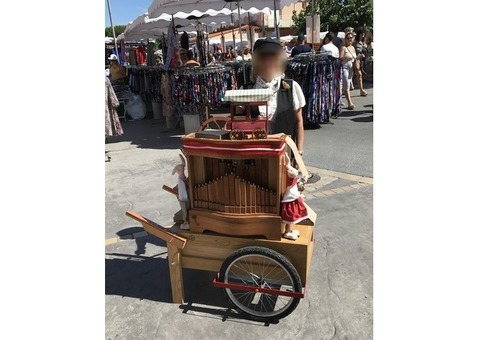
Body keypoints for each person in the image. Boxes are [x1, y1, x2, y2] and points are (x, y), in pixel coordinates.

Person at [240, 38, 306, 154]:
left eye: (272, 57)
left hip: (285, 154)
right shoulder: (245, 90)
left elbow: (298, 122)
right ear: (256, 61)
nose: (267, 62)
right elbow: (237, 123)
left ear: (279, 60)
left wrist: (299, 152)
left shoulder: (291, 88)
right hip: (255, 155)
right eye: (263, 57)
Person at [339, 32, 357, 109]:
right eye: (348, 38)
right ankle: (350, 103)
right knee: (346, 85)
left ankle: (339, 100)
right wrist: (346, 58)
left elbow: (354, 58)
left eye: (351, 38)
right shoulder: (343, 47)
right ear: (345, 39)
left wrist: (358, 58)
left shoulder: (352, 48)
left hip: (350, 68)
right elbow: (340, 57)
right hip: (344, 68)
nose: (350, 39)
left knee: (347, 85)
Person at [353, 28, 368, 96]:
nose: (362, 35)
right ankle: (361, 90)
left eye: (363, 34)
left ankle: (361, 90)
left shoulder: (362, 42)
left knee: (359, 75)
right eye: (361, 34)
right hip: (355, 59)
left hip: (360, 60)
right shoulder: (355, 42)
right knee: (358, 75)